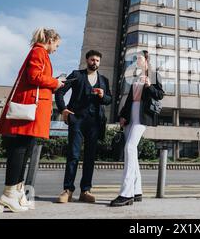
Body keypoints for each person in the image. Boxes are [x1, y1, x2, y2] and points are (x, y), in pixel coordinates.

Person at [0, 28, 64, 213]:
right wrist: (55, 83)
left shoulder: (40, 52)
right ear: (50, 40)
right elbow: (34, 77)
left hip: (33, 109)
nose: (57, 49)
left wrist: (54, 83)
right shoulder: (38, 51)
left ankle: (16, 192)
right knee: (20, 149)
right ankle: (9, 193)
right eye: (57, 45)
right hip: (29, 109)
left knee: (25, 149)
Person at [55, 50, 112, 204]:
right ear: (87, 60)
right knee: (73, 155)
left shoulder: (104, 80)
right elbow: (60, 92)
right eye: (92, 59)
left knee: (90, 158)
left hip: (94, 123)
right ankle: (68, 190)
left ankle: (85, 191)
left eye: (98, 61)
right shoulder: (77, 74)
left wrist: (102, 96)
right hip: (77, 121)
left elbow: (109, 100)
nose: (95, 62)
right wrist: (63, 109)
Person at [111, 50, 164, 207]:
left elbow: (160, 94)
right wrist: (122, 116)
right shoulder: (136, 77)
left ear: (146, 59)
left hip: (143, 116)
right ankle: (137, 191)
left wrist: (149, 85)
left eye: (139, 58)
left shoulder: (154, 75)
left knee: (130, 148)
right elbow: (129, 99)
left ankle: (126, 194)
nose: (137, 60)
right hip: (130, 115)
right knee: (131, 153)